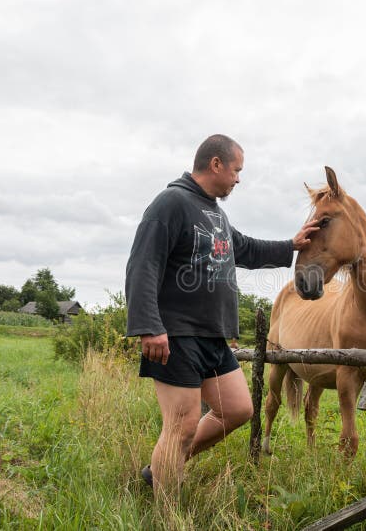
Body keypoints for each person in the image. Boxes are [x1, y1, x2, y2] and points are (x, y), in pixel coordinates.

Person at [125, 134, 318, 496]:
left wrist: (290, 246)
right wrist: (149, 326)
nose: (238, 179)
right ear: (216, 164)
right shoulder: (171, 203)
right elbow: (143, 264)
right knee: (181, 426)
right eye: (236, 170)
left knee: (238, 409)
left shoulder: (214, 211)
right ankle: (166, 513)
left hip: (213, 336)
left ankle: (164, 464)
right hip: (176, 334)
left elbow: (242, 248)